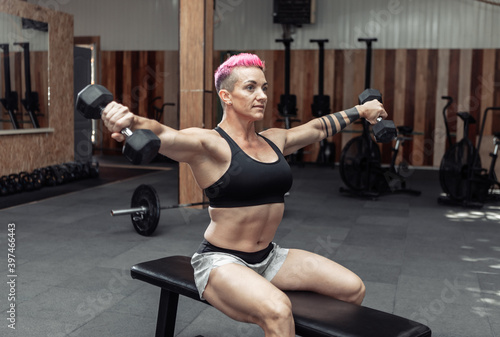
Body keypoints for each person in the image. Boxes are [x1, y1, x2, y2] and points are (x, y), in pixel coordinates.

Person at [102, 53, 387, 337]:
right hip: (221, 262)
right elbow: (164, 132)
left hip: (270, 257)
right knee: (278, 311)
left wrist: (360, 111)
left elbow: (316, 128)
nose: (261, 95)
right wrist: (130, 120)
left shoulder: (274, 140)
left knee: (352, 289)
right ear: (226, 96)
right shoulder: (208, 144)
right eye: (250, 87)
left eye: (263, 87)